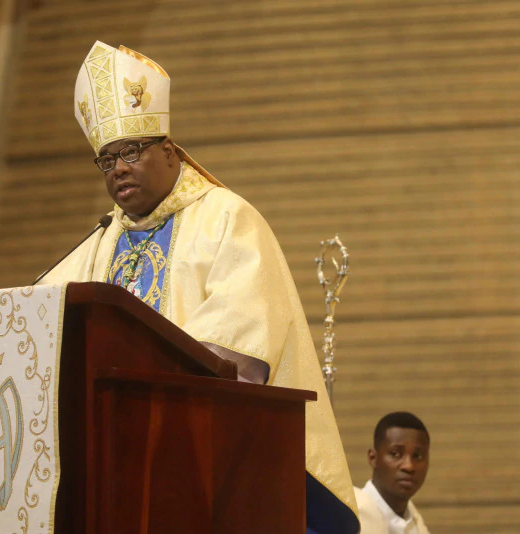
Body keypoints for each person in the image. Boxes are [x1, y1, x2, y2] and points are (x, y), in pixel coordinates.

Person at [40, 40, 359, 534]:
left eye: (131, 151)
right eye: (106, 160)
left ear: (169, 151)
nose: (119, 168)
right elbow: (44, 317)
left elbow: (239, 349)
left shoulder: (227, 218)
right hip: (115, 461)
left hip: (214, 459)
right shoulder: (102, 241)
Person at [355, 412, 431, 534]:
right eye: (396, 454)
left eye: (417, 456)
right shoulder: (350, 519)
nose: (409, 466)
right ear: (373, 458)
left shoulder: (416, 522)